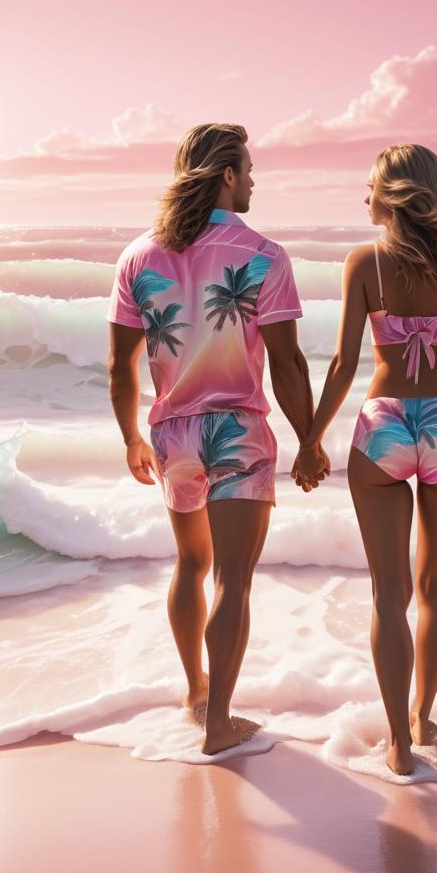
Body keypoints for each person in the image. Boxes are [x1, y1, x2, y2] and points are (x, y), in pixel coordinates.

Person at [107, 124, 329, 755]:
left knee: (191, 564)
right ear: (226, 174)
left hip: (171, 433)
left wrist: (131, 436)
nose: (255, 178)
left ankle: (195, 694)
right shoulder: (263, 254)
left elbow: (120, 365)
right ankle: (219, 725)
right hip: (237, 429)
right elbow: (287, 363)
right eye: (249, 168)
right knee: (233, 577)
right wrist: (310, 440)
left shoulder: (138, 255)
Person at [293, 144, 437, 775]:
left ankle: (397, 743)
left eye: (369, 188)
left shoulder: (364, 263)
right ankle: (422, 714)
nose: (363, 198)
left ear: (393, 195)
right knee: (434, 587)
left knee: (388, 596)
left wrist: (311, 438)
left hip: (384, 425)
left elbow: (342, 363)